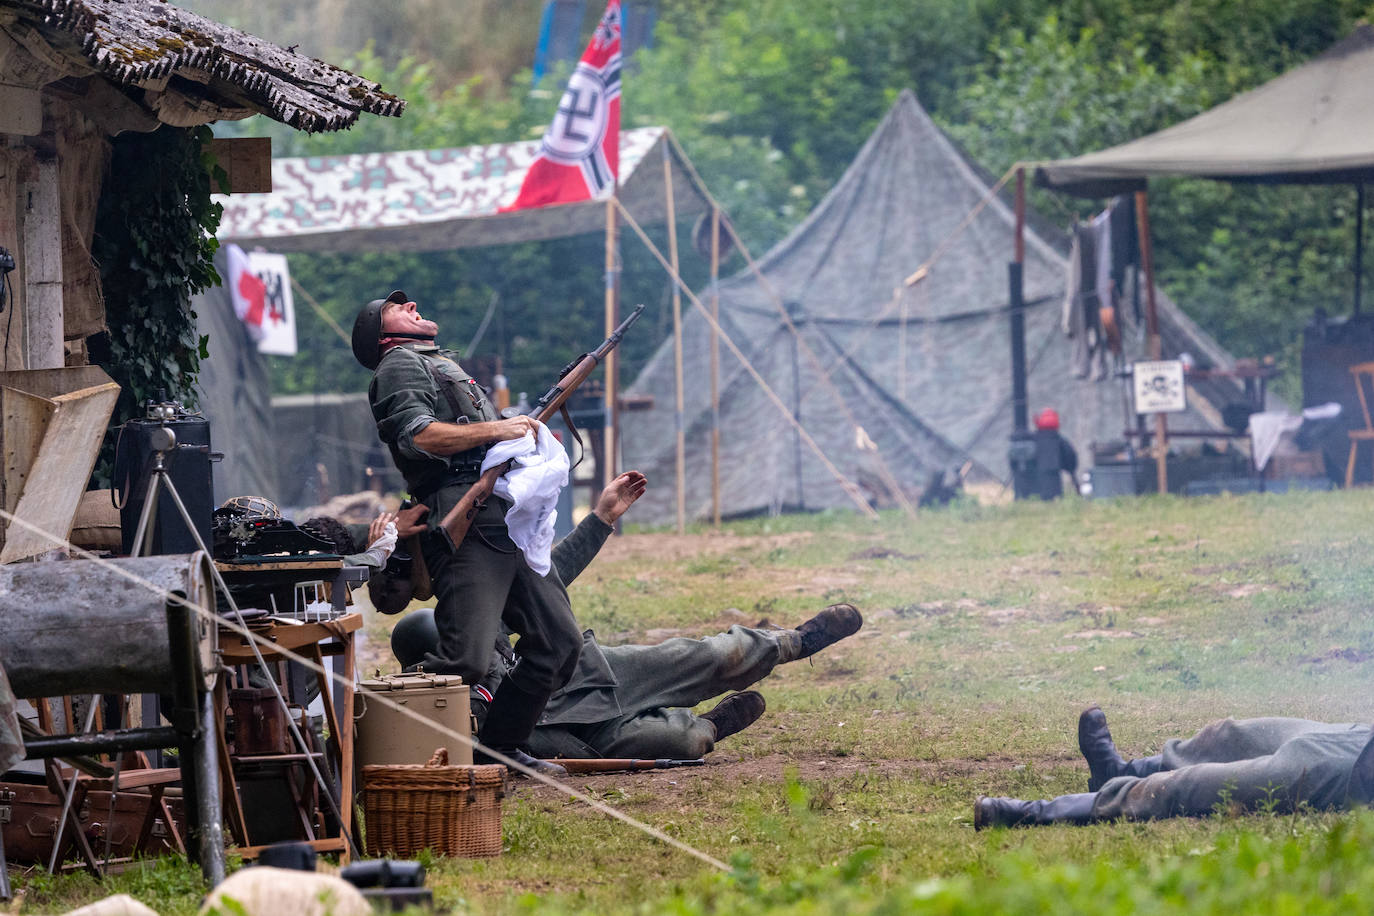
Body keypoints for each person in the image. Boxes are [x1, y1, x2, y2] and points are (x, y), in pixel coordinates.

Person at [386, 472, 865, 760]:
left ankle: (797, 642)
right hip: (568, 735)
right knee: (682, 743)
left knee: (708, 655)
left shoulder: (480, 624)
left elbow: (550, 575)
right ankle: (716, 723)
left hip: (590, 677)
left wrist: (601, 519)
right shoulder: (429, 703)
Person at [352, 289, 580, 777]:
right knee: (466, 660)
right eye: (398, 307)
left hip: (505, 516)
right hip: (466, 517)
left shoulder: (438, 364)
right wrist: (499, 431)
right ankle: (370, 735)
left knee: (559, 642)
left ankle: (502, 748)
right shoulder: (398, 363)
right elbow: (420, 436)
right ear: (383, 333)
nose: (413, 305)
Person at [974, 705, 1374, 828]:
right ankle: (1119, 770)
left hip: (1352, 775)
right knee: (1230, 735)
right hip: (1361, 736)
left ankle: (1032, 813)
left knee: (1187, 787)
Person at [1032, 408, 1079, 499]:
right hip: (1054, 470)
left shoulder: (1034, 439)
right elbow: (1070, 454)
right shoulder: (1059, 439)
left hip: (1038, 472)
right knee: (1055, 496)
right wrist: (1071, 469)